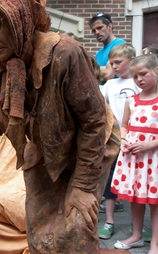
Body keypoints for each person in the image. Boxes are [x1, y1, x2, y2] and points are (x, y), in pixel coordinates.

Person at [0, 0, 121, 253]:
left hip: (90, 143)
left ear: (19, 20)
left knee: (76, 223)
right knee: (39, 227)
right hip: (43, 147)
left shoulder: (64, 53)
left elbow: (93, 122)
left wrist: (82, 186)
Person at [111, 54, 158, 253]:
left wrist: (149, 145)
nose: (139, 79)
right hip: (134, 157)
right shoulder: (132, 100)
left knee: (155, 202)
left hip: (153, 157)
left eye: (143, 74)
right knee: (136, 198)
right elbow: (123, 125)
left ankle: (155, 242)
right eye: (135, 76)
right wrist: (124, 140)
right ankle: (137, 235)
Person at [98, 43, 140, 239]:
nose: (114, 66)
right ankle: (109, 221)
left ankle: (136, 227)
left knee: (136, 184)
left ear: (132, 60)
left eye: (118, 62)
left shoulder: (138, 84)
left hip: (136, 140)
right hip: (115, 140)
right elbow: (97, 102)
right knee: (110, 182)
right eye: (111, 63)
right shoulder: (110, 85)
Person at [89, 13, 126, 83]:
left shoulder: (120, 45)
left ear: (110, 26)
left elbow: (108, 74)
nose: (96, 32)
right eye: (94, 30)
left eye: (100, 28)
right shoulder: (99, 53)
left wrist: (91, 70)